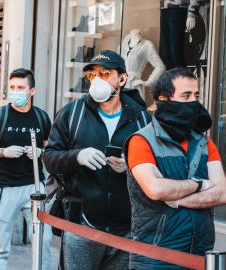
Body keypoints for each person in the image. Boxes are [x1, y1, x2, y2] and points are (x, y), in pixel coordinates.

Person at [42, 50, 151, 270]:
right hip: (82, 225)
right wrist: (77, 156)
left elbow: (155, 163)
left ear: (122, 79)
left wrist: (130, 165)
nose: (97, 80)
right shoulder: (72, 114)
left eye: (104, 73)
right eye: (92, 75)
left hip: (127, 228)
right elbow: (50, 159)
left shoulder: (142, 118)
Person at [125, 68, 226, 269]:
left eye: (196, 95)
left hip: (200, 253)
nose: (194, 102)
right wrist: (200, 185)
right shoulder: (141, 141)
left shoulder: (203, 142)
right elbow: (156, 190)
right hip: (155, 256)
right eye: (186, 96)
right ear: (163, 99)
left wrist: (176, 198)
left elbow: (223, 194)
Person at [0, 68, 52, 270]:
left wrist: (41, 153)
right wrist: (2, 152)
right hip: (5, 186)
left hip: (35, 186)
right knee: (1, 243)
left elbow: (51, 149)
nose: (16, 91)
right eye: (12, 87)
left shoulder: (42, 118)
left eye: (21, 87)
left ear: (32, 91)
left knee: (43, 239)